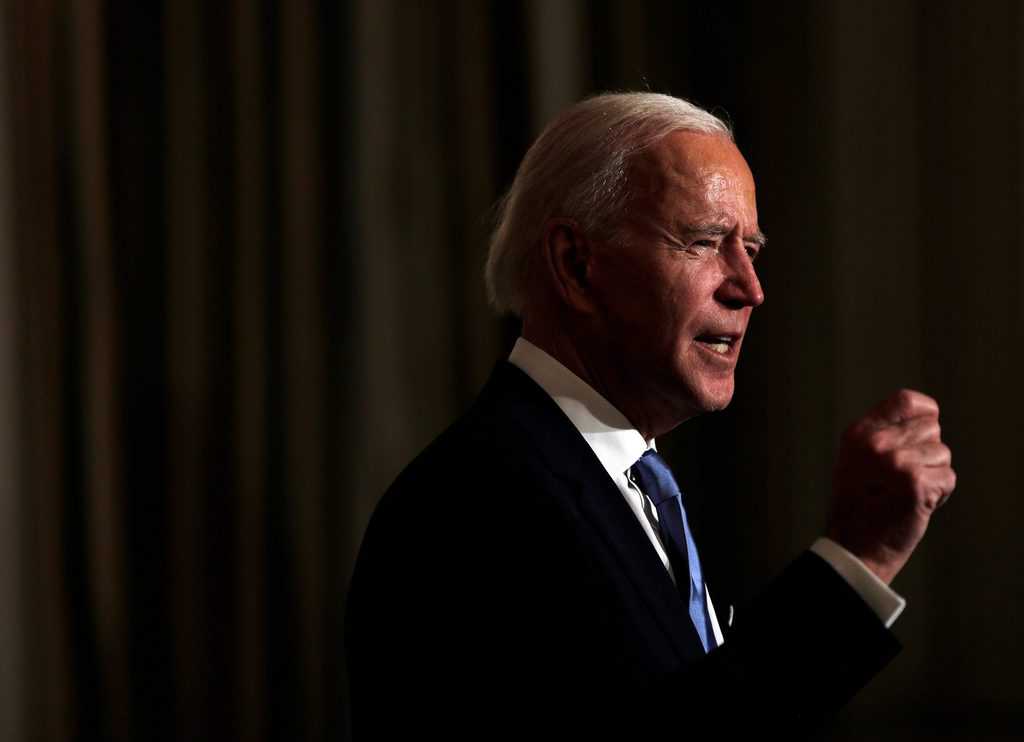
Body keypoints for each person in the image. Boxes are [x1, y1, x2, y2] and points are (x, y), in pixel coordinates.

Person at [344, 92, 956, 739]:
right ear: (577, 267)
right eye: (703, 242)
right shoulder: (474, 502)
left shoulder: (631, 482)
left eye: (750, 247)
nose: (750, 288)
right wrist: (856, 559)